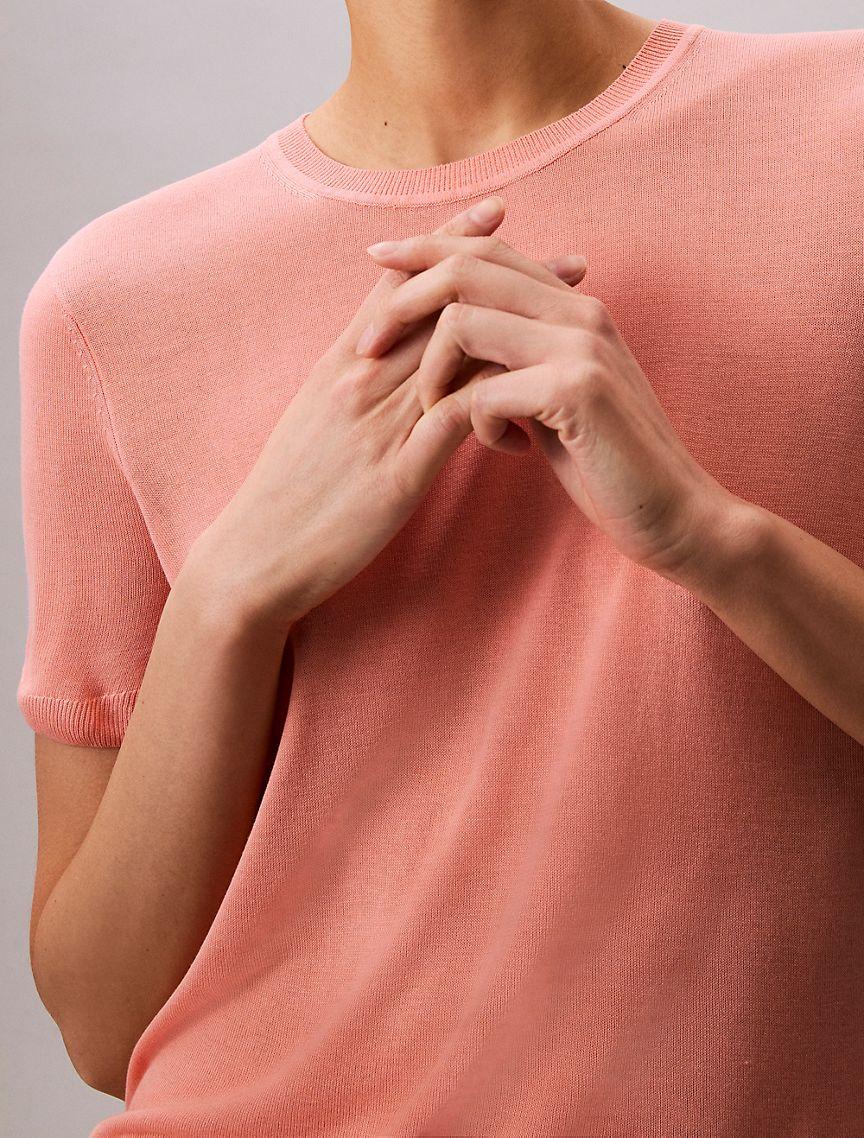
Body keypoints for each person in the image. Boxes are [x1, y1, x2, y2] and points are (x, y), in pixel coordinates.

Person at [16, 0, 864, 1134]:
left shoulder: (842, 134)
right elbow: (102, 1023)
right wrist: (229, 597)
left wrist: (712, 538)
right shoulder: (111, 302)